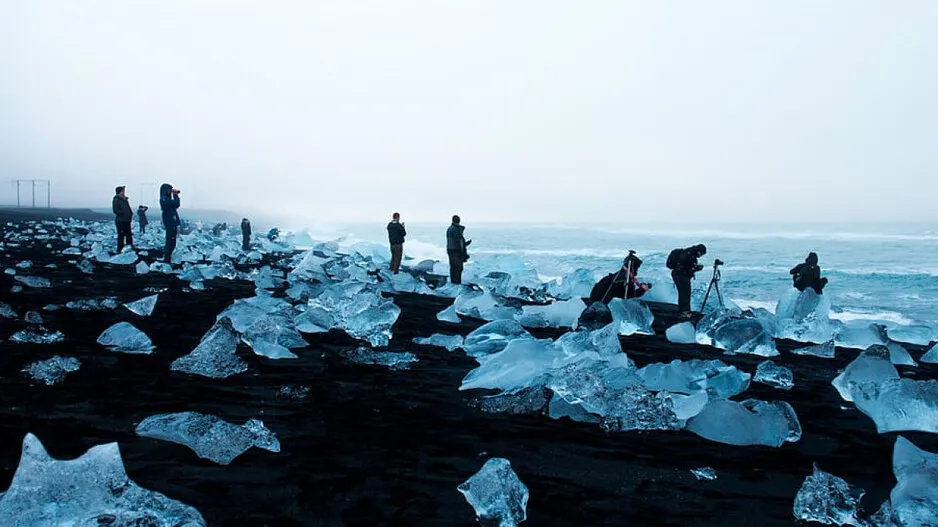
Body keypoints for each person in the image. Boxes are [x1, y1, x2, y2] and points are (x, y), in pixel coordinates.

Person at [667, 244, 707, 318]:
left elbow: (687, 267)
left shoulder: (689, 253)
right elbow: (687, 268)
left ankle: (684, 310)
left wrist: (694, 268)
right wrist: (696, 268)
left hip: (678, 274)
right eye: (701, 254)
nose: (701, 255)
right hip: (681, 275)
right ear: (699, 251)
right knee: (685, 293)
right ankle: (684, 312)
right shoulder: (690, 255)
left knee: (684, 293)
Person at [446, 215, 471, 285]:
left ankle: (453, 283)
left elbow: (454, 242)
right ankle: (457, 284)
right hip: (456, 252)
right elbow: (457, 242)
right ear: (459, 221)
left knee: (453, 267)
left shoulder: (449, 229)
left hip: (450, 250)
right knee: (458, 268)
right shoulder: (456, 230)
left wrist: (465, 244)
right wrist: (462, 253)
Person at [159, 183, 181, 263]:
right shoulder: (164, 199)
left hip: (172, 221)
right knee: (170, 241)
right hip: (169, 221)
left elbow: (176, 205)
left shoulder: (167, 199)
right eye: (169, 190)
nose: (170, 191)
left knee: (172, 241)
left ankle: (168, 257)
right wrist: (175, 195)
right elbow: (176, 203)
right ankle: (167, 258)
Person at [112, 186, 134, 252]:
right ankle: (120, 249)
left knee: (128, 234)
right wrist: (124, 214)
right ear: (120, 191)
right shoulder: (117, 199)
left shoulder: (124, 199)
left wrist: (130, 214)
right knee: (121, 235)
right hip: (121, 220)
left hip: (127, 220)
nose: (124, 192)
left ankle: (129, 247)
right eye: (123, 190)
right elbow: (115, 210)